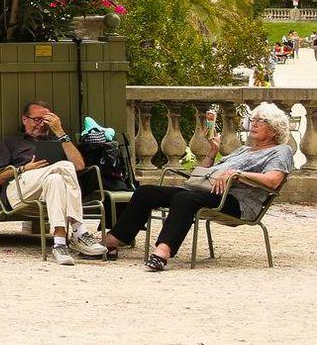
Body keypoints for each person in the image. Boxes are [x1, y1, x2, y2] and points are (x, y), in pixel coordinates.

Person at [101, 104, 296, 271]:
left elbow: (273, 180)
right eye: (253, 119)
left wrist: (238, 174)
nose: (254, 123)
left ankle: (162, 252)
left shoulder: (281, 151)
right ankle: (112, 241)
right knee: (146, 192)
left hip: (237, 202)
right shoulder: (244, 149)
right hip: (206, 191)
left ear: (274, 129)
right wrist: (212, 152)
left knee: (185, 199)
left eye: (261, 121)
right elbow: (200, 174)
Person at [0, 101, 107, 265]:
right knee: (64, 166)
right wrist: (24, 168)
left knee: (55, 179)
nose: (41, 124)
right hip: (18, 191)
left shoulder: (58, 140)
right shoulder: (12, 142)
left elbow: (79, 166)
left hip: (48, 192)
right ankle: (79, 231)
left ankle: (59, 244)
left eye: (46, 120)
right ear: (24, 119)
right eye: (37, 119)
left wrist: (60, 132)